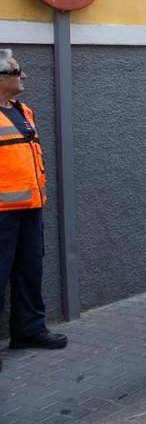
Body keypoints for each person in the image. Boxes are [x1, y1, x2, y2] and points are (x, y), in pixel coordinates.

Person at [0, 50, 68, 373]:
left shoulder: (23, 111)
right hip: (2, 211)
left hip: (29, 207)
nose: (23, 76)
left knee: (30, 269)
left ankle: (28, 329)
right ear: (1, 78)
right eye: (17, 70)